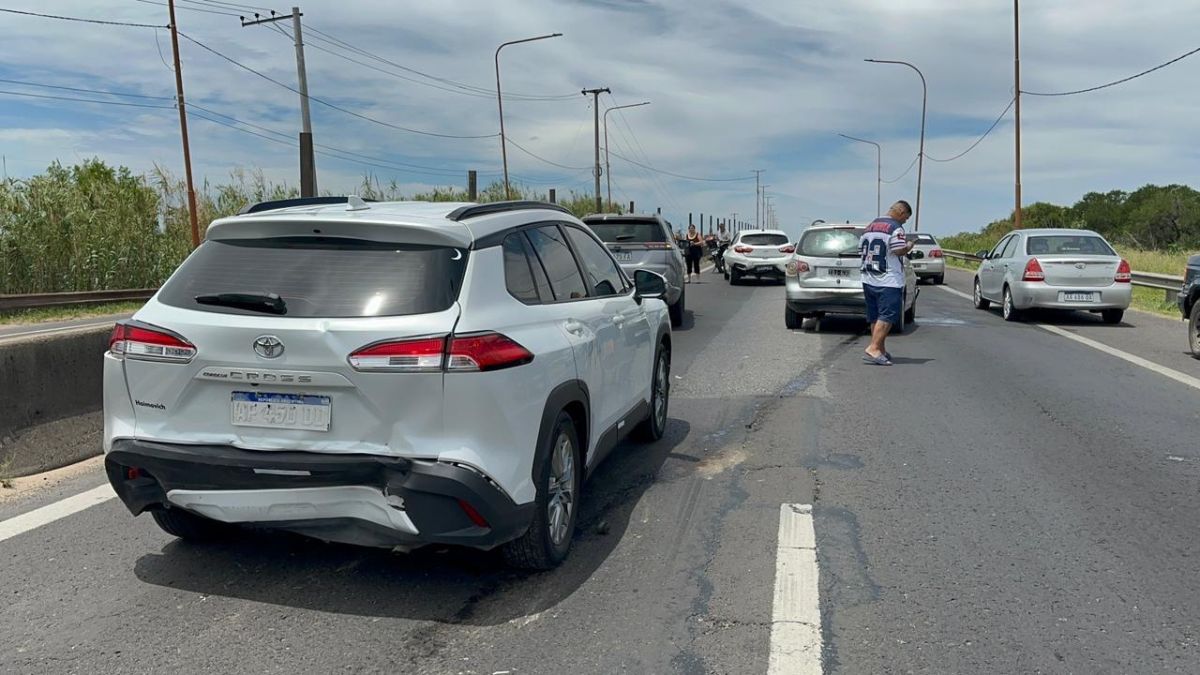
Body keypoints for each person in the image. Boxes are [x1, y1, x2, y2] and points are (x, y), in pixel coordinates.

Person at [859, 200, 916, 366]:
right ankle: (874, 347)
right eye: (906, 217)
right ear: (899, 211)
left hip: (869, 277)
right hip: (888, 279)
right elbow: (898, 250)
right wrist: (909, 245)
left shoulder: (870, 226)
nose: (905, 221)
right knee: (888, 315)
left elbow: (860, 249)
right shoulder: (895, 228)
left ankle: (880, 350)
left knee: (875, 315)